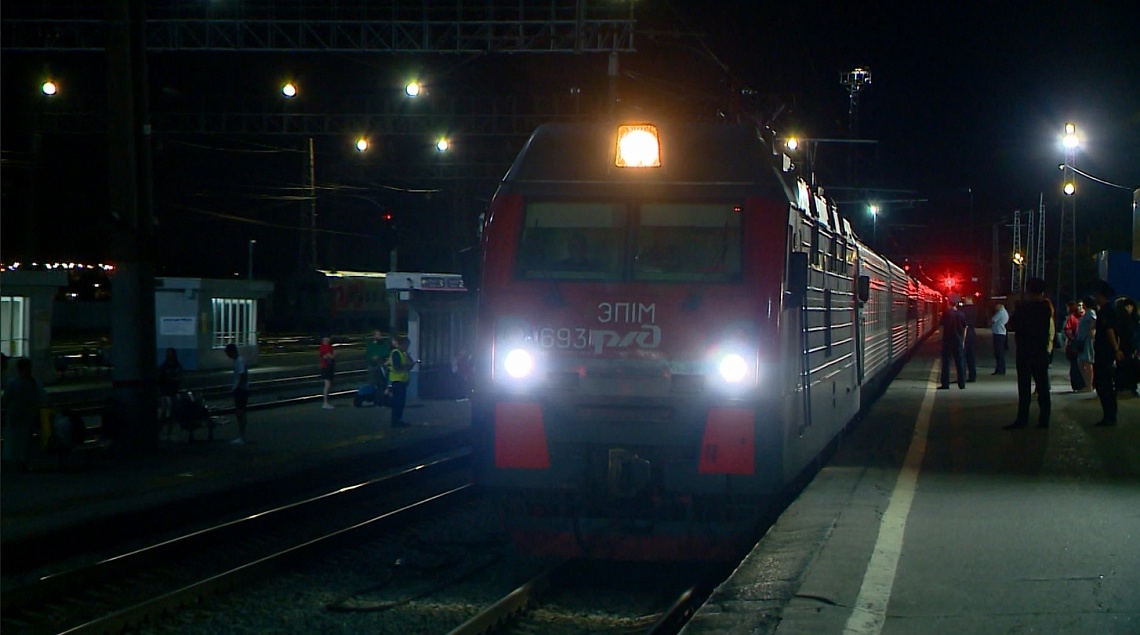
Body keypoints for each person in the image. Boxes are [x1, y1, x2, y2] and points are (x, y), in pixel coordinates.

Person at [1005, 277, 1052, 429]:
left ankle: (1022, 419)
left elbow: (1010, 325)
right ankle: (1044, 419)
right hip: (1040, 351)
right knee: (1043, 387)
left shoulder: (1023, 308)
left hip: (1024, 352)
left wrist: (1014, 308)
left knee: (1024, 387)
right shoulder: (1045, 309)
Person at [2, 358, 46, 471]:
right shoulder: (33, 383)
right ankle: (23, 460)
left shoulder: (12, 383)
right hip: (28, 416)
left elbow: (5, 400)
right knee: (24, 439)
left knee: (14, 439)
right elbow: (41, 398)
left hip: (15, 415)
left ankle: (15, 460)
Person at [1091, 281, 1122, 426]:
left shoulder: (1106, 311)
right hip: (1105, 352)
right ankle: (1109, 414)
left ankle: (1109, 415)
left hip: (1105, 352)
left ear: (1100, 295)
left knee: (1104, 384)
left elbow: (1110, 331)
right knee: (1104, 383)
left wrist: (1116, 349)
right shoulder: (1107, 310)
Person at [386, 335, 415, 428]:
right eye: (406, 345)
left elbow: (409, 364)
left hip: (402, 380)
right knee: (398, 402)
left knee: (401, 402)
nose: (407, 347)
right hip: (397, 381)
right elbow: (397, 366)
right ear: (401, 344)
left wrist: (409, 362)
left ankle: (398, 419)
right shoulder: (396, 353)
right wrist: (407, 365)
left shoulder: (403, 353)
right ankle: (395, 421)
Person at [938, 299, 967, 390]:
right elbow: (965, 328)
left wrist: (940, 338)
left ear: (949, 303)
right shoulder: (961, 314)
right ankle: (962, 384)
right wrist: (963, 341)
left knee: (946, 363)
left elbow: (942, 327)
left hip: (947, 341)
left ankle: (945, 384)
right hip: (958, 341)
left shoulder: (946, 314)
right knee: (960, 363)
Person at [225, 343, 250, 444]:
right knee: (240, 413)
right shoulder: (238, 360)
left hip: (241, 390)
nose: (228, 356)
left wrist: (236, 387)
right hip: (241, 389)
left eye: (228, 353)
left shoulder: (239, 361)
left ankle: (242, 436)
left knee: (240, 413)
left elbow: (242, 375)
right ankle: (241, 436)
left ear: (232, 351)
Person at [157, 347, 184, 437]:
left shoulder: (168, 366)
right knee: (166, 412)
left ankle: (167, 430)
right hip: (166, 393)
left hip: (171, 392)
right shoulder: (165, 367)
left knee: (171, 412)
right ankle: (164, 429)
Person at [1115, 297, 1137, 397]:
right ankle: (1128, 387)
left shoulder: (1119, 318)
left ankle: (1121, 387)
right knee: (1129, 367)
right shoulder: (1128, 319)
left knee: (1122, 367)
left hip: (1123, 347)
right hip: (1128, 347)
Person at [1063, 300, 1085, 391]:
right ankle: (1077, 385)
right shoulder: (1072, 317)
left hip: (1085, 343)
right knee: (1075, 365)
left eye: (1083, 306)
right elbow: (1067, 330)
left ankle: (1085, 384)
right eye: (1079, 305)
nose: (1081, 308)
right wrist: (1073, 339)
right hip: (1075, 344)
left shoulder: (1087, 317)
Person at [1076, 295, 1097, 393]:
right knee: (1081, 362)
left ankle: (1089, 385)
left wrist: (1091, 329)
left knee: (1088, 362)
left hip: (1087, 340)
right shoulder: (1086, 313)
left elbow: (1095, 320)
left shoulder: (1090, 312)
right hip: (1082, 340)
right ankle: (1087, 384)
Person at [961, 296, 978, 382]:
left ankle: (962, 376)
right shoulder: (975, 310)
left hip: (964, 334)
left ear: (968, 300)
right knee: (971, 357)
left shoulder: (963, 310)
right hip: (972, 334)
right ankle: (972, 376)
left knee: (962, 356)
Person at [991, 302, 1009, 375]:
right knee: (1000, 352)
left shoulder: (1000, 312)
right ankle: (1000, 369)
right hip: (1001, 333)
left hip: (998, 333)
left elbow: (993, 319)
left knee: (999, 353)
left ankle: (1000, 369)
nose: (995, 308)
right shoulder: (1005, 312)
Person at [318, 335, 336, 409]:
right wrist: (334, 353)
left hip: (326, 367)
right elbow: (332, 356)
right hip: (327, 367)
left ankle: (326, 402)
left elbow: (326, 356)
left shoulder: (322, 347)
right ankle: (325, 403)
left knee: (328, 385)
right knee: (327, 385)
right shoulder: (326, 347)